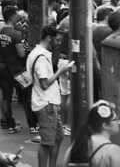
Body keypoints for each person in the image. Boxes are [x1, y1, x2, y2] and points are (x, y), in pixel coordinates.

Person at [26, 26, 74, 167]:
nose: (59, 43)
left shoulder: (38, 53)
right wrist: (61, 71)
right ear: (49, 38)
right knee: (47, 142)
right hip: (46, 104)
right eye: (57, 40)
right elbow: (45, 84)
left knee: (57, 138)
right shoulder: (40, 58)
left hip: (49, 103)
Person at [0, 6, 25, 134]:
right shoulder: (15, 34)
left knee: (5, 95)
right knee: (26, 91)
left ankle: (6, 120)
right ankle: (18, 123)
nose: (17, 18)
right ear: (11, 17)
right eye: (16, 16)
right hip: (14, 68)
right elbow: (21, 54)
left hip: (1, 66)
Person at [64, 100, 120, 166]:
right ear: (105, 125)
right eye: (116, 119)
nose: (118, 122)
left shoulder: (76, 146)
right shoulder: (113, 151)